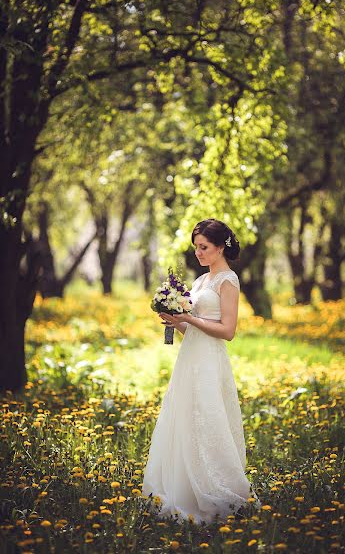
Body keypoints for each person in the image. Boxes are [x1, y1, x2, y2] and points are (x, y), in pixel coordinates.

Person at [141, 218, 260, 524]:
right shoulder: (199, 283)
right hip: (190, 358)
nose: (199, 253)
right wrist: (176, 321)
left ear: (221, 247)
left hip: (210, 360)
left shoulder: (227, 281)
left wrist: (190, 320)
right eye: (196, 247)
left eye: (204, 247)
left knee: (208, 418)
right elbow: (191, 331)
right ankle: (184, 488)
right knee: (186, 418)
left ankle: (218, 488)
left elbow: (227, 330)